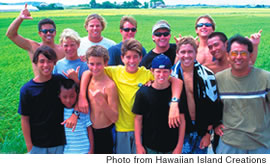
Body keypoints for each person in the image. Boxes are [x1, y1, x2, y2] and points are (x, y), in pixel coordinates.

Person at [79, 38, 182, 154]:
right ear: (122, 58)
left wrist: (174, 102)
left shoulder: (147, 74)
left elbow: (176, 82)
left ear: (141, 58)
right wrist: (82, 96)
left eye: (135, 57)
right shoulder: (115, 72)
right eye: (128, 57)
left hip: (143, 128)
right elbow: (88, 72)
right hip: (122, 128)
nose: (132, 61)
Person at [215, 35, 270, 154]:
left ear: (250, 56)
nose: (238, 57)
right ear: (228, 55)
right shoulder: (219, 79)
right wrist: (216, 124)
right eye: (234, 53)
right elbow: (213, 107)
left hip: (260, 144)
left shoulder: (265, 78)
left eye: (243, 53)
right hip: (229, 144)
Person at [18, 46, 77, 154]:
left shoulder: (59, 81)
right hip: (37, 144)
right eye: (42, 61)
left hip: (59, 142)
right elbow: (25, 119)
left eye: (49, 61)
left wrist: (75, 114)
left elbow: (76, 95)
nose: (46, 65)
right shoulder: (27, 90)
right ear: (35, 63)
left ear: (54, 63)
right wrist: (29, 146)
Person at [171, 36, 222, 154]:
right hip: (179, 130)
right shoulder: (171, 76)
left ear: (195, 52)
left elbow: (213, 104)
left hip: (201, 129)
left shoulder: (207, 75)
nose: (186, 55)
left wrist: (208, 133)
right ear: (177, 53)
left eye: (190, 51)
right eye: (183, 52)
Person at [133, 54, 185, 154]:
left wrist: (179, 146)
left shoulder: (176, 93)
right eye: (158, 71)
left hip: (171, 146)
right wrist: (138, 145)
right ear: (152, 71)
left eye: (165, 71)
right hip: (150, 145)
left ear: (170, 72)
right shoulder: (143, 93)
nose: (161, 75)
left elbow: (182, 121)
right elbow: (138, 119)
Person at [6, 3, 65, 76]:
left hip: (58, 85)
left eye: (51, 31)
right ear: (40, 33)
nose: (48, 33)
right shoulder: (33, 47)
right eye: (45, 31)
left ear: (55, 32)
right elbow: (11, 35)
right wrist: (20, 18)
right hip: (40, 86)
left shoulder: (62, 50)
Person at [83, 45, 119, 154]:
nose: (94, 68)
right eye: (91, 64)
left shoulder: (109, 86)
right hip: (89, 131)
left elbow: (114, 118)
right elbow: (86, 73)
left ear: (106, 62)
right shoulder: (88, 77)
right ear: (87, 63)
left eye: (98, 64)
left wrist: (102, 102)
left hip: (105, 132)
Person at [59, 78, 94, 154]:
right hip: (68, 153)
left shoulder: (83, 109)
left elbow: (89, 130)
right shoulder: (59, 112)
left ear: (77, 94)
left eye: (72, 96)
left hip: (85, 151)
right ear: (59, 96)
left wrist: (91, 150)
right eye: (64, 97)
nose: (68, 100)